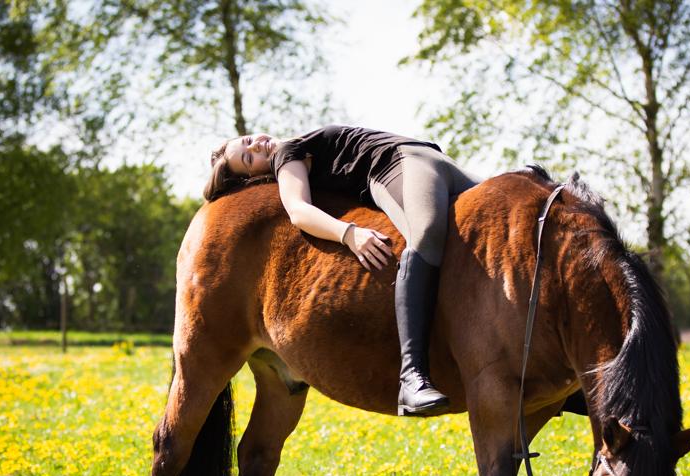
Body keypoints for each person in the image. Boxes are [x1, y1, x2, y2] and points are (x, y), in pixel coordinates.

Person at [203, 125, 481, 416]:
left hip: (434, 158)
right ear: (258, 177)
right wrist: (349, 234)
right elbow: (298, 210)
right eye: (249, 158)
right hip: (400, 165)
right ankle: (412, 376)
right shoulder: (285, 154)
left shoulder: (296, 145)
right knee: (425, 234)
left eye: (249, 141)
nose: (257, 147)